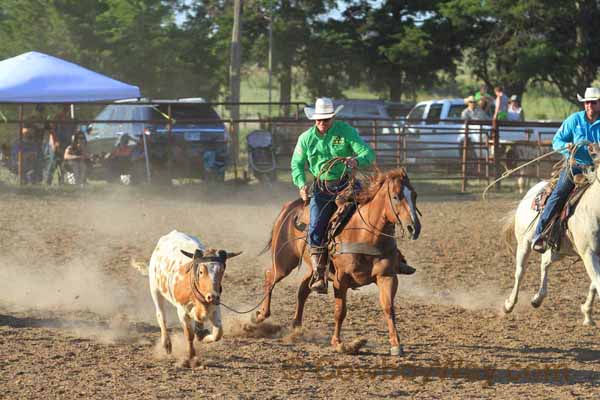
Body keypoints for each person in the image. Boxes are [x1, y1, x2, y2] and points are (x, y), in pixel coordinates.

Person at [291, 97, 375, 293]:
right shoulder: (306, 138)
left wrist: (357, 161)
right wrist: (301, 183)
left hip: (348, 184)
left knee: (377, 211)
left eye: (326, 119)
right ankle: (319, 272)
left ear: (333, 118)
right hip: (322, 188)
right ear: (314, 119)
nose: (322, 123)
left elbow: (367, 153)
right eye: (319, 119)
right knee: (316, 226)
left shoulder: (346, 131)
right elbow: (296, 164)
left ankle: (393, 255)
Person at [531, 87, 600, 252]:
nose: (590, 105)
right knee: (559, 193)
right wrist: (566, 147)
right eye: (587, 102)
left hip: (597, 168)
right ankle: (539, 233)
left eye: (594, 102)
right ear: (584, 104)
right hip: (576, 166)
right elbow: (557, 141)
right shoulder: (574, 120)